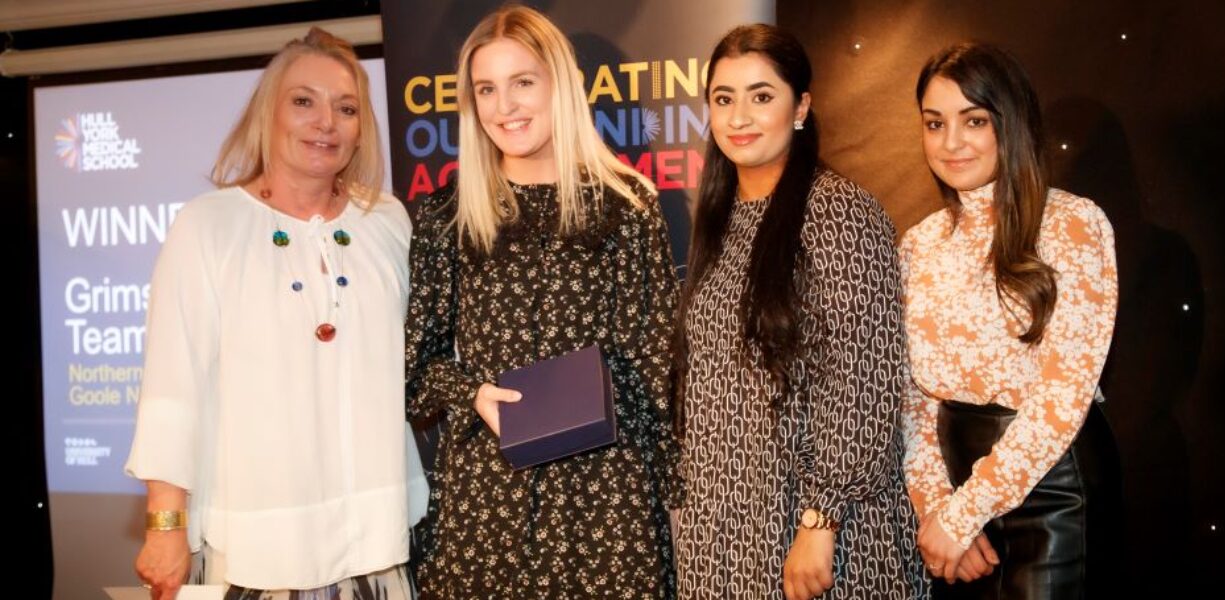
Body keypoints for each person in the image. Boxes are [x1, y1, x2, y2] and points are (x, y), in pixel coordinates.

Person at [126, 27, 425, 600]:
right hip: (258, 556)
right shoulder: (207, 226)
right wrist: (166, 526)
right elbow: (172, 387)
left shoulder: (388, 221)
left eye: (346, 108)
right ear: (270, 112)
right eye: (303, 101)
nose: (326, 123)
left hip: (375, 549)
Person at [404, 5, 680, 598]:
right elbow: (414, 368)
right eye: (487, 89)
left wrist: (679, 499)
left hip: (608, 497)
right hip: (488, 501)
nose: (505, 107)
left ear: (560, 85)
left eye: (522, 82)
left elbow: (659, 365)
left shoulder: (626, 206)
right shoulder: (447, 215)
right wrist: (471, 394)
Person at [673, 23, 929, 600]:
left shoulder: (840, 213)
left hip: (820, 530)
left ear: (800, 106)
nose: (739, 117)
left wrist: (820, 520)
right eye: (724, 98)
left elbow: (864, 377)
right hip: (726, 530)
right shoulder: (717, 220)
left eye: (761, 96)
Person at [901, 42, 1121, 598]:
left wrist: (964, 513)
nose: (951, 142)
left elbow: (1062, 397)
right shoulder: (919, 244)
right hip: (955, 498)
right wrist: (938, 509)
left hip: (1054, 492)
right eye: (935, 123)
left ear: (1011, 121)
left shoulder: (1073, 224)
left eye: (973, 120)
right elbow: (913, 397)